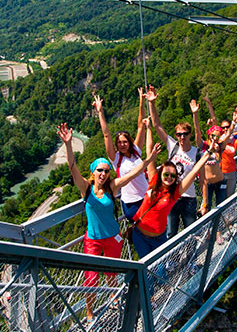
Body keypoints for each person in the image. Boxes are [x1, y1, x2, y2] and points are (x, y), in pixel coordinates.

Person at [56, 122, 159, 320]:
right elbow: (72, 167)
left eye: (106, 171)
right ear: (93, 172)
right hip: (93, 240)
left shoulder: (112, 187)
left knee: (112, 274)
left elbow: (133, 174)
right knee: (91, 279)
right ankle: (89, 311)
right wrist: (68, 145)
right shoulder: (85, 188)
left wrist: (149, 160)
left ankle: (112, 296)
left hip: (113, 237)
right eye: (100, 170)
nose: (103, 174)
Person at [131, 119, 214, 260]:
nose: (169, 177)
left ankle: (187, 261)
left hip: (158, 234)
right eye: (166, 174)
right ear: (160, 174)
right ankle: (173, 261)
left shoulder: (174, 194)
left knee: (189, 232)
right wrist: (149, 129)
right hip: (140, 234)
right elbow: (149, 154)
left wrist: (208, 153)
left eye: (172, 176)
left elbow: (195, 173)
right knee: (167, 238)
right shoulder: (153, 182)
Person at [147, 89, 203, 237]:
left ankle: (192, 258)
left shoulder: (196, 153)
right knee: (171, 233)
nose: (182, 137)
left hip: (189, 198)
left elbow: (203, 180)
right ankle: (175, 260)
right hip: (171, 196)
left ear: (189, 135)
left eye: (185, 134)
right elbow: (157, 125)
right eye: (179, 134)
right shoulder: (173, 146)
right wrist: (151, 103)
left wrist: (205, 203)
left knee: (191, 232)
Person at [94, 90, 148, 219]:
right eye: (119, 142)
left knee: (151, 231)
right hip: (131, 202)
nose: (122, 144)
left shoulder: (136, 152)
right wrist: (100, 112)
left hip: (146, 197)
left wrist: (141, 101)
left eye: (124, 141)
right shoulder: (116, 158)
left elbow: (141, 126)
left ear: (129, 142)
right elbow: (106, 134)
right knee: (140, 231)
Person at [199, 121, 233, 215]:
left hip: (220, 181)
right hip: (208, 184)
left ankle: (219, 228)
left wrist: (233, 122)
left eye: (217, 137)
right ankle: (208, 229)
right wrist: (195, 115)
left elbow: (229, 134)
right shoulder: (204, 146)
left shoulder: (220, 147)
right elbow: (197, 133)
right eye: (213, 136)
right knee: (206, 209)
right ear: (209, 135)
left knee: (221, 207)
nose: (215, 138)